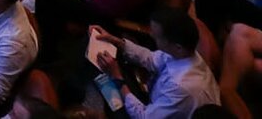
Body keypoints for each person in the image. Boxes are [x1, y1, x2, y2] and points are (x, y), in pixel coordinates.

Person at [90, 11, 220, 119]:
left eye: (157, 36)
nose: (151, 35)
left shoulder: (181, 87)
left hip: (149, 112)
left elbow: (143, 116)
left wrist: (117, 77)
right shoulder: (184, 53)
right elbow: (150, 58)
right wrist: (115, 41)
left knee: (106, 82)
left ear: (177, 47)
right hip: (155, 102)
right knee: (105, 65)